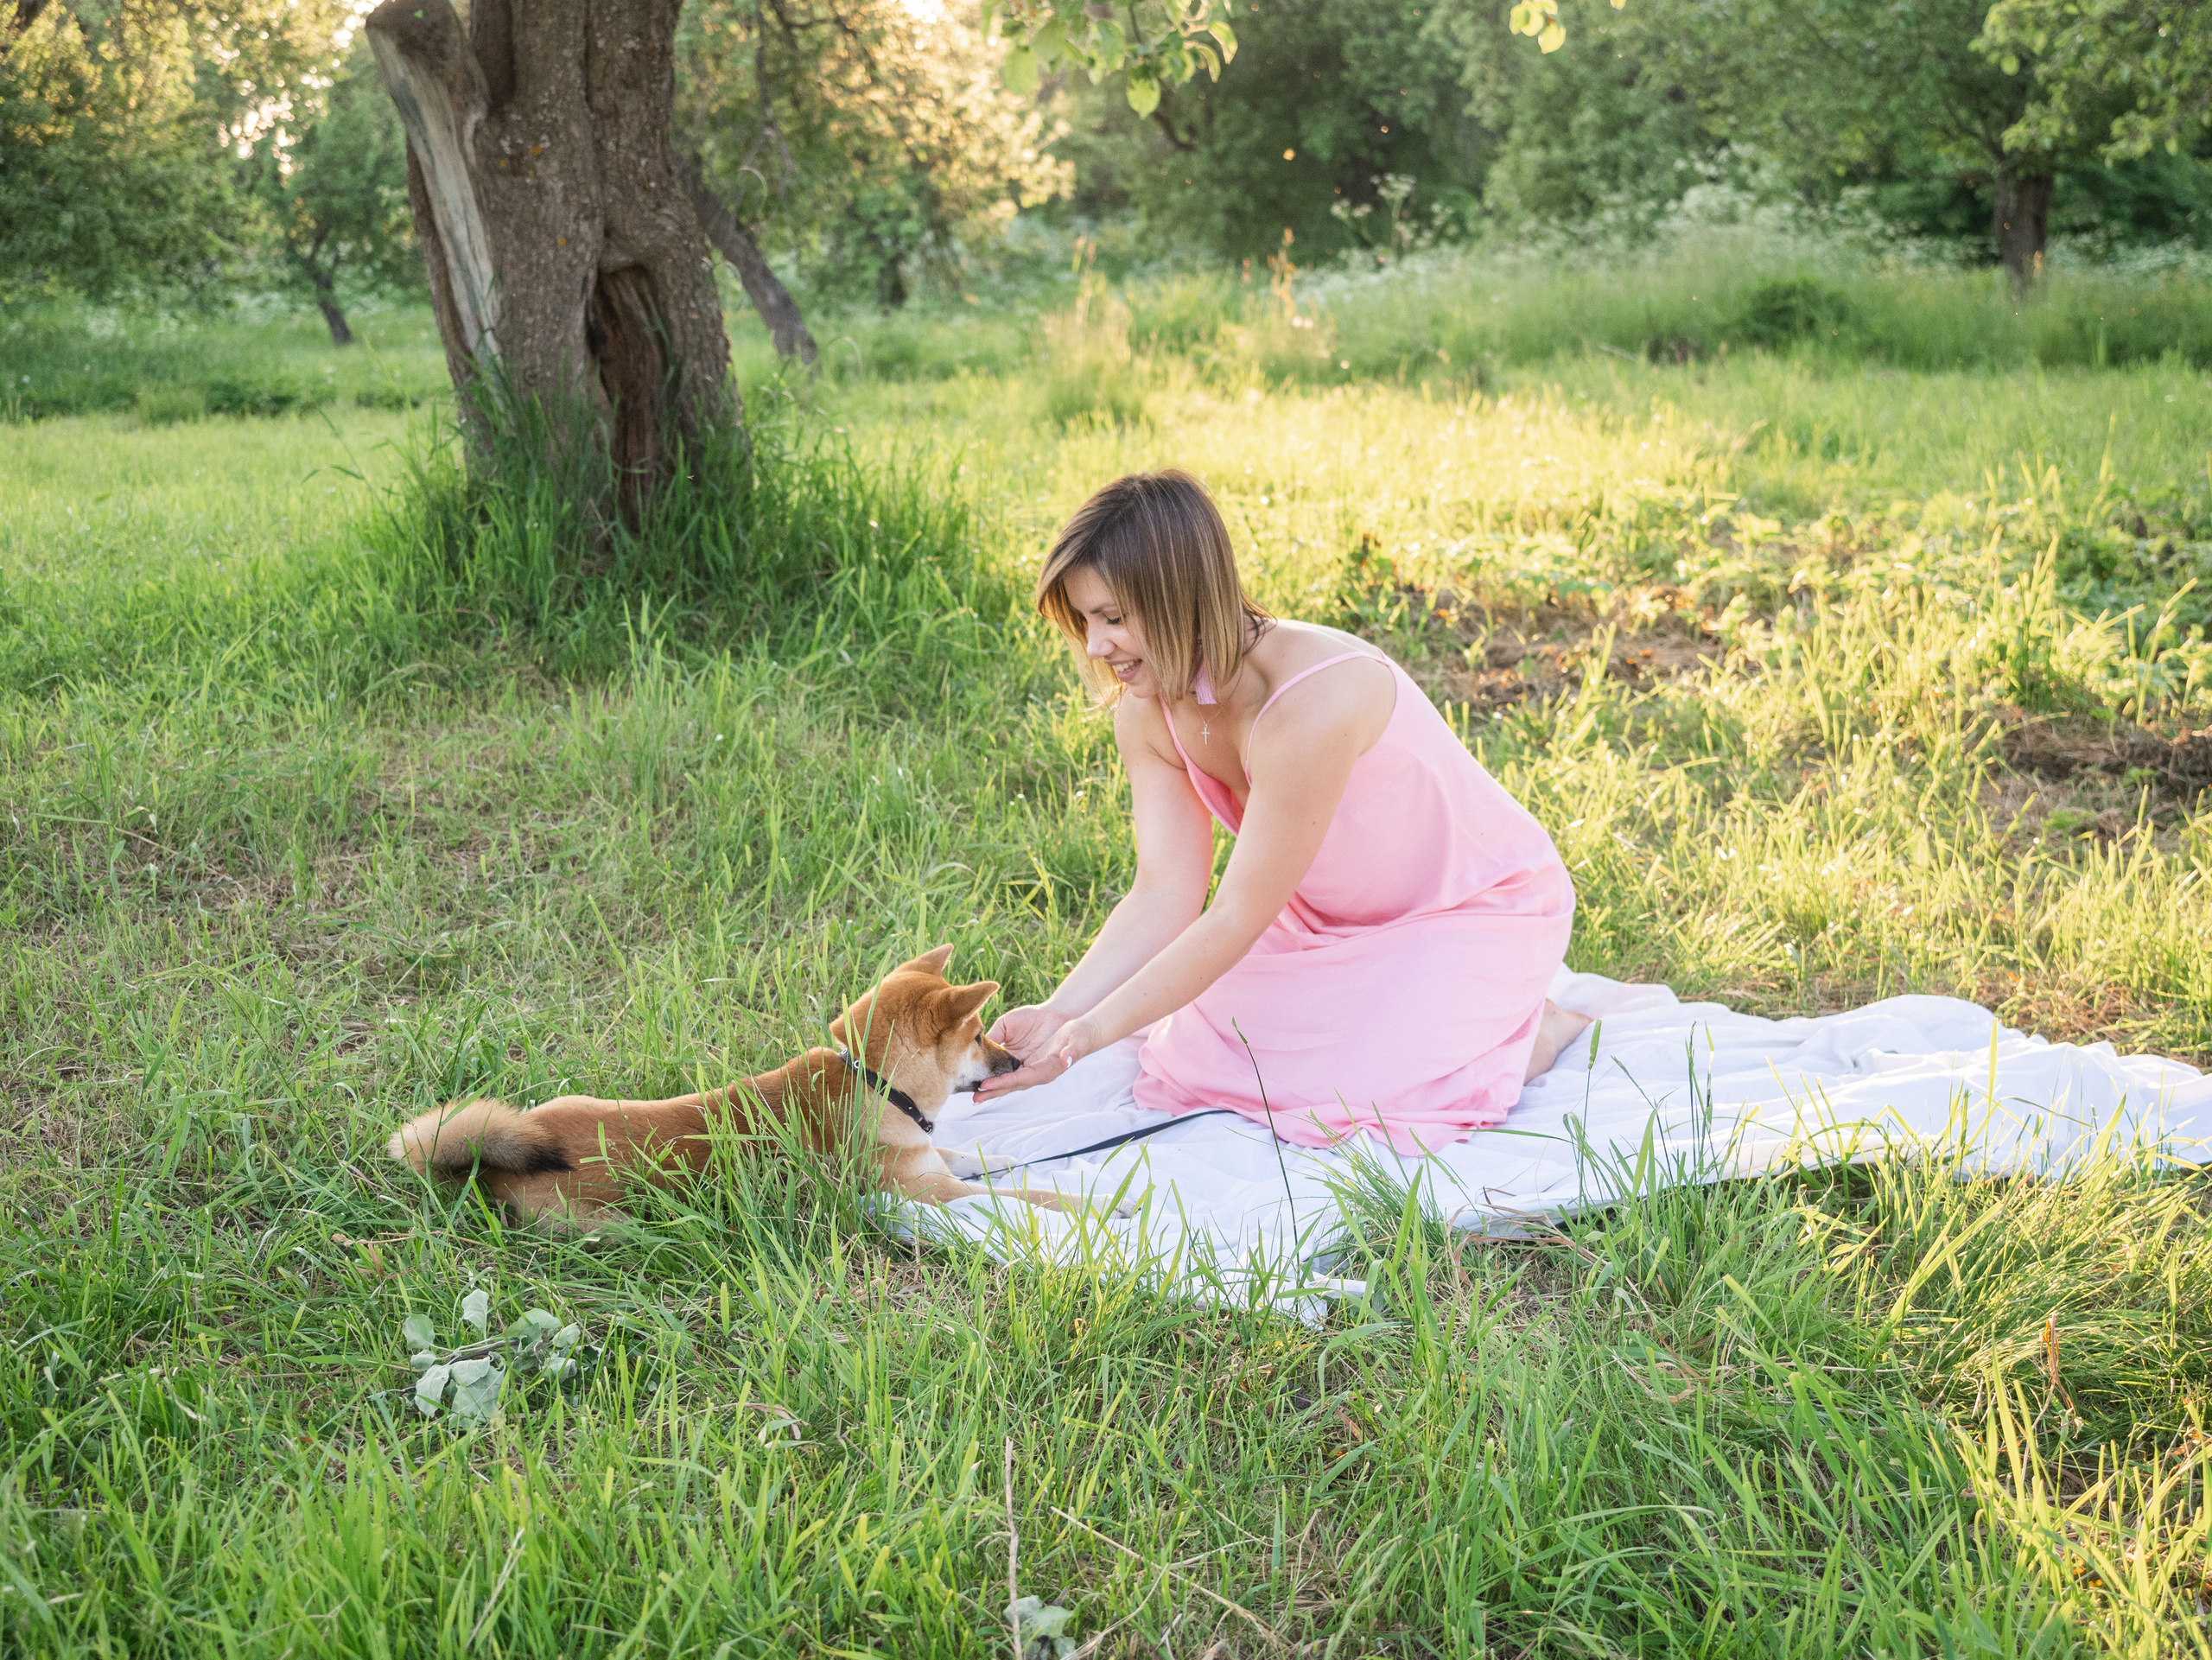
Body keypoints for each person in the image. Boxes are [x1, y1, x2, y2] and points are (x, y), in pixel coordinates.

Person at [974, 469, 1589, 1153]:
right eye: (1085, 620)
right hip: (1316, 918)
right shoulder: (1148, 711)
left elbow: (1235, 915)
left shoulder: (1309, 704)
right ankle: (1424, 1011)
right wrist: (1066, 1013)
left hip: (1470, 907)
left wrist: (1087, 1038)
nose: (1095, 647)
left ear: (1183, 597)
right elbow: (1164, 891)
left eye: (1114, 618)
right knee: (1193, 1057)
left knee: (1371, 1100)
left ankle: (1534, 1029)